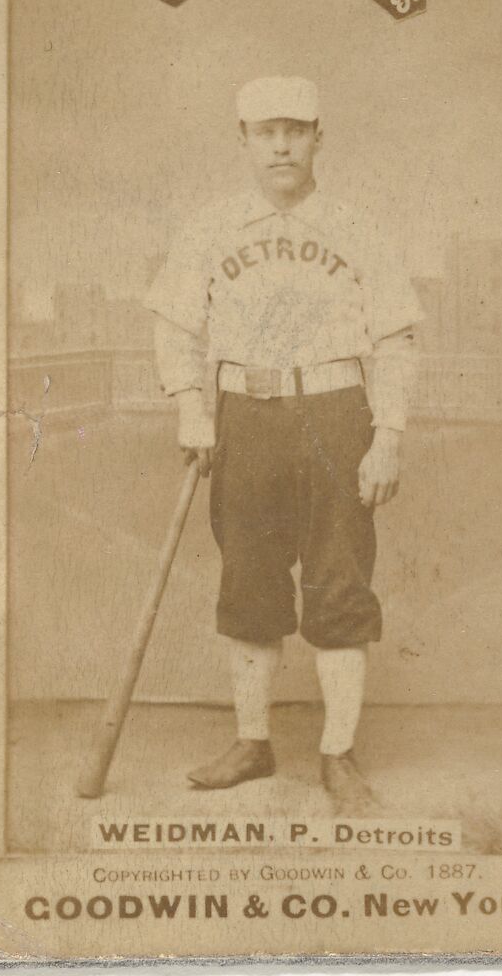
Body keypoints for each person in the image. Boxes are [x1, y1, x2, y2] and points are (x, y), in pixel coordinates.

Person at [146, 76, 422, 814]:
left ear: (318, 138)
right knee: (250, 581)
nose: (280, 145)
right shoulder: (210, 227)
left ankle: (338, 754)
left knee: (339, 581)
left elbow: (395, 338)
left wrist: (388, 435)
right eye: (265, 131)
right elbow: (174, 326)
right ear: (243, 140)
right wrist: (188, 407)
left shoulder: (355, 226)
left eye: (295, 130)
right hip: (245, 415)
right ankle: (251, 741)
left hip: (336, 412)